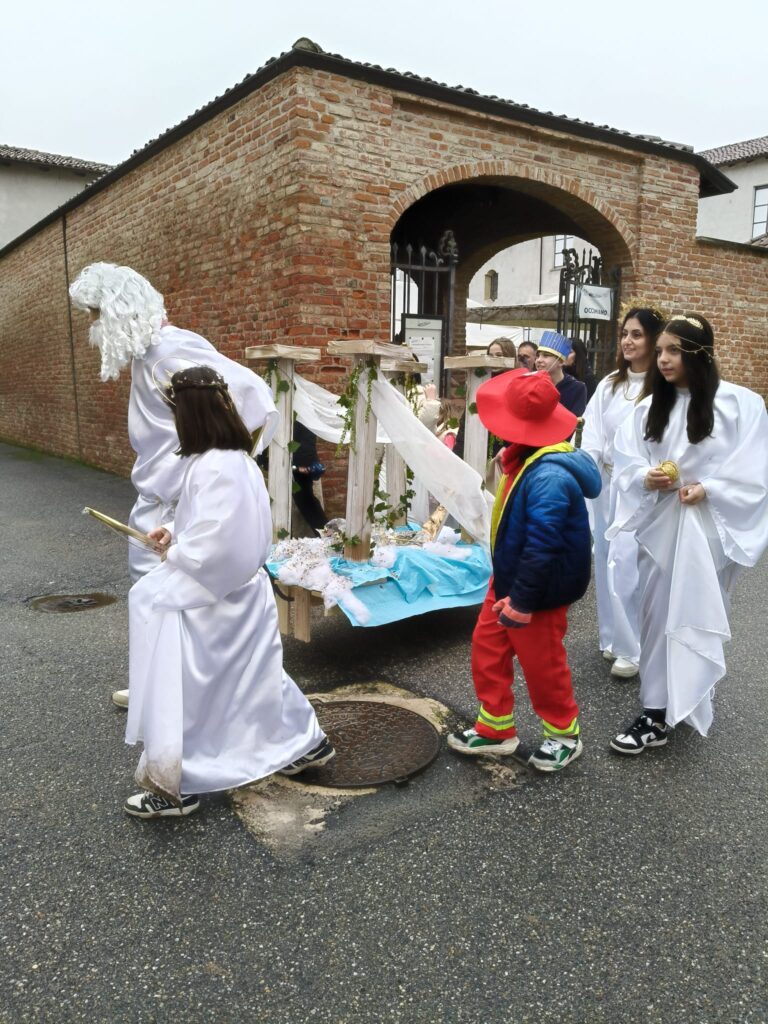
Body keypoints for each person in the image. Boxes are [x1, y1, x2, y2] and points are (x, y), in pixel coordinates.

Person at [124, 365, 335, 818]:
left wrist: (176, 552)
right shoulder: (230, 459)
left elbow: (219, 543)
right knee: (257, 677)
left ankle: (176, 783)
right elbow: (212, 524)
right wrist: (174, 531)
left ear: (190, 415)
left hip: (219, 598)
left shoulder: (216, 466)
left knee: (180, 676)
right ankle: (304, 744)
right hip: (242, 592)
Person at [69, 262, 277, 707]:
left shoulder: (168, 351)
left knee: (169, 596)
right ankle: (160, 686)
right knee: (152, 593)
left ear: (119, 309)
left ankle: (175, 692)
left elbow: (252, 396)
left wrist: (212, 468)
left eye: (96, 314)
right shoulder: (152, 353)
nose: (93, 327)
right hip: (162, 496)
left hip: (176, 500)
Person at [607, 314, 768, 754]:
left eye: (673, 350)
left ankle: (689, 693)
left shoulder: (740, 405)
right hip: (662, 526)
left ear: (700, 353)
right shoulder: (647, 408)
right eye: (660, 350)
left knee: (696, 610)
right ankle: (655, 710)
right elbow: (625, 461)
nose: (662, 359)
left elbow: (755, 468)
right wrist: (645, 477)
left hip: (709, 529)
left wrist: (709, 488)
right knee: (657, 615)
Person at [448, 369, 601, 771]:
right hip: (513, 579)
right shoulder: (533, 459)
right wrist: (514, 455)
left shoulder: (549, 476)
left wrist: (523, 600)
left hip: (536, 590)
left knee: (542, 663)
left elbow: (543, 544)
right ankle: (495, 727)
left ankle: (564, 734)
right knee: (488, 646)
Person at [581, 306, 663, 679]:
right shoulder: (611, 384)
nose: (628, 341)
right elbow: (593, 432)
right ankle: (613, 637)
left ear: (654, 339)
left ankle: (636, 647)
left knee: (632, 564)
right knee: (607, 559)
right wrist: (586, 471)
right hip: (608, 485)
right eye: (625, 334)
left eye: (637, 334)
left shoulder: (663, 388)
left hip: (644, 489)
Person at [534, 331, 588, 416]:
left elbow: (575, 420)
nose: (539, 360)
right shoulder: (529, 383)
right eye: (538, 356)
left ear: (561, 361)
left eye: (546, 355)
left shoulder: (577, 388)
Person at [291, 422, 328, 533]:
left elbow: (306, 437)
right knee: (306, 500)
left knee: (306, 500)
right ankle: (327, 534)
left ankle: (328, 535)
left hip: (300, 462)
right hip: (294, 459)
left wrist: (303, 466)